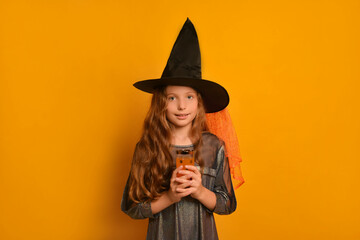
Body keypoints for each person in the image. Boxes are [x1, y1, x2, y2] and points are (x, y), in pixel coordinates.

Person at [121, 18, 241, 240]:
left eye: (189, 97)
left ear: (199, 103)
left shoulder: (213, 146)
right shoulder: (148, 147)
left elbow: (227, 204)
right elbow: (132, 207)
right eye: (172, 97)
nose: (182, 106)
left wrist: (199, 191)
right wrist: (169, 196)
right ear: (161, 103)